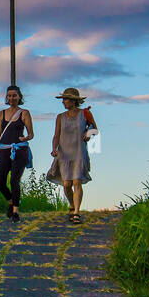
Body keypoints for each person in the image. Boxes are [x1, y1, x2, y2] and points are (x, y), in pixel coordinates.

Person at [0, 84, 34, 221]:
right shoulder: (2, 113)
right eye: (9, 96)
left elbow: (31, 134)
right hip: (3, 150)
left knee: (14, 180)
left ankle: (16, 212)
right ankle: (11, 202)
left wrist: (26, 138)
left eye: (14, 95)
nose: (12, 98)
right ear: (7, 97)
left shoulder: (24, 113)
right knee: (0, 181)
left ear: (19, 97)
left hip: (19, 150)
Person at [48, 87, 96, 224]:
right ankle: (71, 204)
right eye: (63, 99)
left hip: (79, 152)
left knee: (77, 181)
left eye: (66, 99)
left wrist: (88, 134)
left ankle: (76, 212)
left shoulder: (85, 114)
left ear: (74, 101)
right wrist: (54, 148)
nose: (63, 101)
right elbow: (56, 135)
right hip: (64, 153)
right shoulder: (60, 117)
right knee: (67, 184)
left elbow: (94, 130)